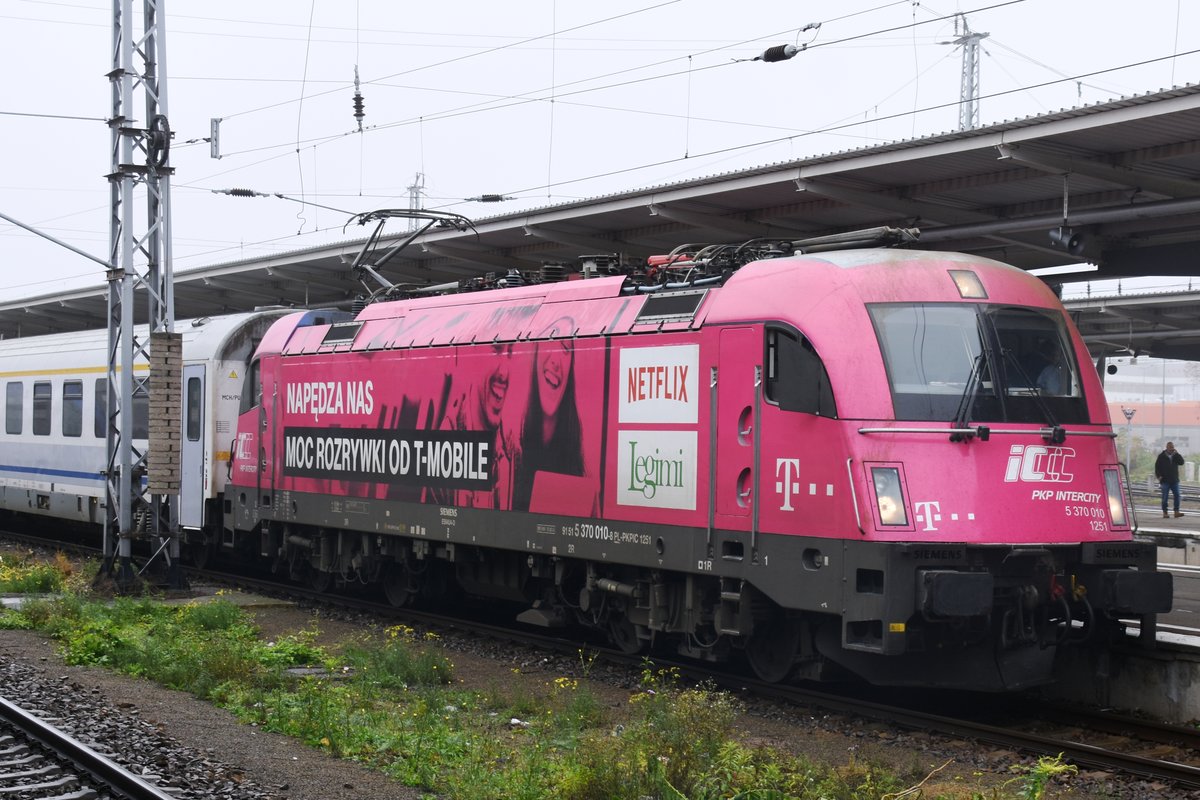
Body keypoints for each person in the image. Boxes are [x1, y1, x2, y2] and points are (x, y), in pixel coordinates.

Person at [512, 317, 585, 512]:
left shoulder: (578, 466)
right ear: (535, 354)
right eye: (549, 339)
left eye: (565, 348)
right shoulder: (510, 453)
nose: (555, 359)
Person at [1155, 441, 1186, 519]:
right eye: (1170, 447)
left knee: (1177, 495)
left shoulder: (1175, 456)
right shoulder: (1161, 456)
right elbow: (1157, 467)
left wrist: (1177, 454)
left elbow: (1182, 462)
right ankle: (1165, 512)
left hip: (1174, 480)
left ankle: (1176, 512)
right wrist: (1159, 476)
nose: (1172, 449)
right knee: (1165, 497)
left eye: (1173, 447)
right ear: (1167, 447)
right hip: (1165, 480)